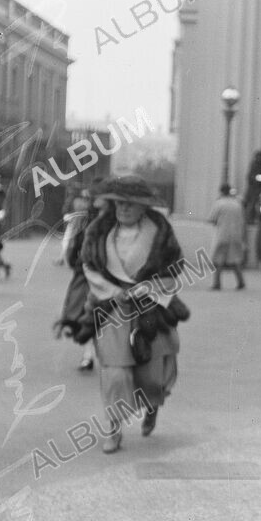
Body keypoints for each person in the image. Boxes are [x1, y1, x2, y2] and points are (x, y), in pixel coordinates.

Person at [81, 176, 189, 452]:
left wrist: (150, 288)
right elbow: (89, 267)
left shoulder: (160, 231)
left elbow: (174, 269)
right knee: (115, 372)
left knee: (152, 375)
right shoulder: (99, 231)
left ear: (143, 207)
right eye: (119, 203)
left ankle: (152, 406)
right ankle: (114, 429)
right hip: (113, 309)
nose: (124, 208)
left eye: (131, 204)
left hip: (150, 308)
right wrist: (111, 291)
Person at [55, 182, 109, 371]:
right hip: (87, 273)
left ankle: (101, 354)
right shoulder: (86, 220)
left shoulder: (108, 221)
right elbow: (75, 245)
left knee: (103, 315)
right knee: (87, 313)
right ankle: (88, 355)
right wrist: (75, 261)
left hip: (104, 275)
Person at [208, 184, 246, 291]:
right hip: (236, 235)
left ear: (221, 191)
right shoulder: (237, 204)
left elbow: (212, 219)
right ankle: (241, 282)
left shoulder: (219, 203)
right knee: (234, 258)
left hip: (222, 234)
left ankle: (217, 283)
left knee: (218, 259)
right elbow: (242, 220)